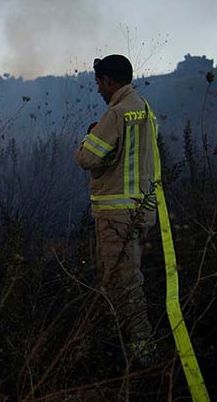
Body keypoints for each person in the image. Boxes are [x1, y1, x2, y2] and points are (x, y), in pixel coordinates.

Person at [75, 54, 158, 364]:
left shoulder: (116, 114)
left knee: (123, 283)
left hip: (116, 215)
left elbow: (86, 158)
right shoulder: (144, 110)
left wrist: (89, 134)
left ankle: (141, 352)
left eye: (99, 82)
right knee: (122, 279)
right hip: (140, 210)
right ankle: (120, 343)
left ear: (109, 81)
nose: (98, 89)